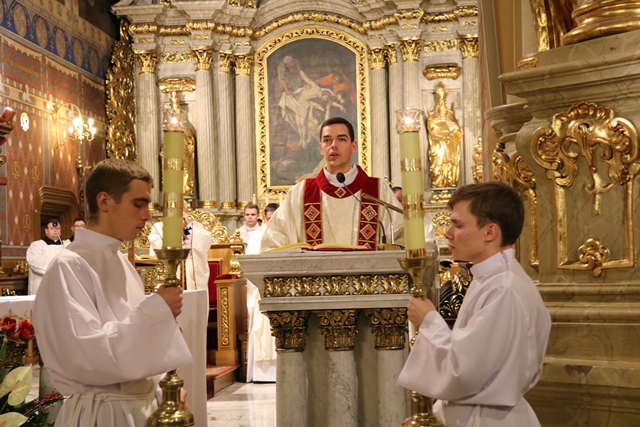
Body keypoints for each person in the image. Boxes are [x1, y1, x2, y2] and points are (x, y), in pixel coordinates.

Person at [33, 158, 192, 427]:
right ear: (105, 201)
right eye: (138, 204)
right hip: (102, 414)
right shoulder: (69, 266)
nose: (147, 215)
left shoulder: (121, 263)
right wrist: (157, 309)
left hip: (140, 408)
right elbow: (87, 357)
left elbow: (133, 349)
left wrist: (159, 388)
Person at [398, 182, 551, 427]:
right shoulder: (489, 279)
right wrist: (435, 414)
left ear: (489, 232)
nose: (448, 233)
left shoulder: (504, 289)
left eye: (458, 225)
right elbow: (479, 373)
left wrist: (429, 321)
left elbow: (465, 371)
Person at [261, 117, 404, 251]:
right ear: (321, 148)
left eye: (341, 139)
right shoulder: (300, 193)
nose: (333, 145)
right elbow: (275, 243)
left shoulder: (378, 191)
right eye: (327, 140)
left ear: (353, 146)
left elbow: (401, 238)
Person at [148, 205, 212, 291]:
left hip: (190, 279)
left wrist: (188, 226)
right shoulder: (159, 227)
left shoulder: (196, 227)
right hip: (168, 274)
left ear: (186, 211)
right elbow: (158, 244)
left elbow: (203, 243)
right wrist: (172, 227)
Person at [26, 218, 65, 295]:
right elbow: (35, 262)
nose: (55, 230)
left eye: (58, 228)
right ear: (46, 231)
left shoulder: (67, 246)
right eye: (52, 228)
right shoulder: (36, 245)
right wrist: (59, 264)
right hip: (41, 289)